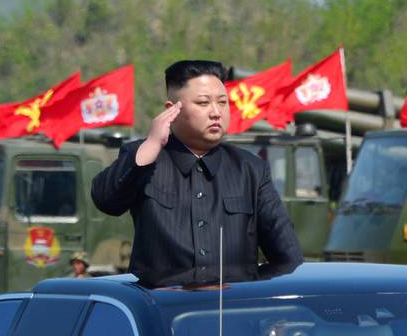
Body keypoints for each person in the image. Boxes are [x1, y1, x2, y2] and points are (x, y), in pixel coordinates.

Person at [92, 60, 302, 274]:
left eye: (222, 102)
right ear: (171, 110)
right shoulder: (146, 157)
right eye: (203, 103)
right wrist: (152, 145)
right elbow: (106, 201)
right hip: (163, 303)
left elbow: (288, 258)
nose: (216, 113)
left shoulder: (251, 170)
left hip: (229, 303)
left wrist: (247, 287)